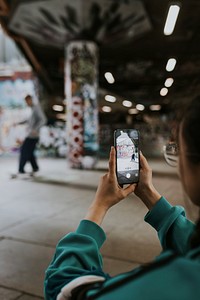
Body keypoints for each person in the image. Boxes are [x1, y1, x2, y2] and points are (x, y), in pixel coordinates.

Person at [44, 98, 200, 300]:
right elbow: (191, 243)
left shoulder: (166, 285)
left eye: (178, 151)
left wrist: (98, 206)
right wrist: (147, 192)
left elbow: (63, 287)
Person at [12, 94, 46, 178]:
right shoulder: (32, 109)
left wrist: (36, 129)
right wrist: (18, 123)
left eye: (26, 101)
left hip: (33, 135)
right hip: (30, 134)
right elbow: (29, 120)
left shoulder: (36, 107)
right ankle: (35, 168)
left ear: (30, 100)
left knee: (24, 151)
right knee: (29, 152)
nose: (26, 103)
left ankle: (21, 170)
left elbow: (43, 120)